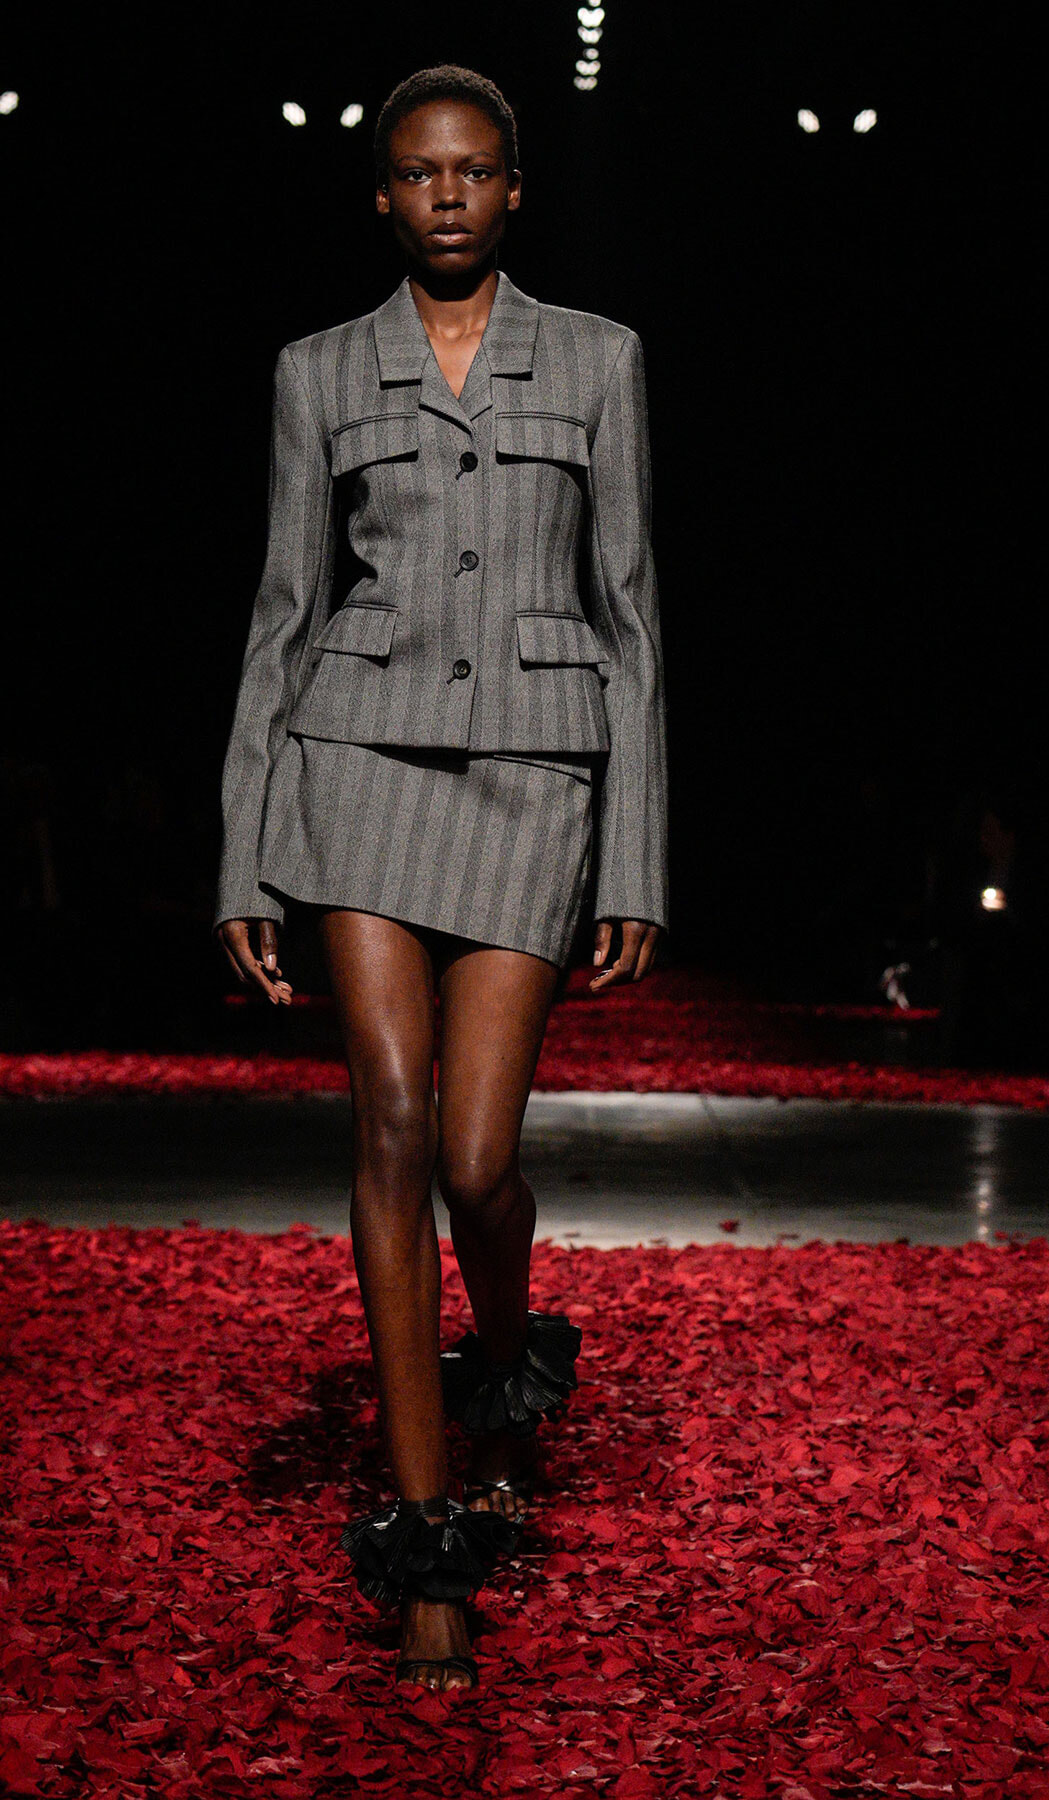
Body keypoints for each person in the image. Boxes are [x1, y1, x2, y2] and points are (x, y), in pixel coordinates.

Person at [213, 64, 668, 1692]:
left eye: (477, 170)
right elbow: (280, 608)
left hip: (538, 778)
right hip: (355, 770)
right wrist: (244, 853)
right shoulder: (319, 371)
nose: (450, 195)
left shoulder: (600, 359)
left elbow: (630, 617)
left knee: (481, 1159)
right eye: (421, 174)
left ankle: (504, 1343)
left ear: (517, 188)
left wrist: (638, 849)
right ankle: (426, 1547)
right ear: (385, 197)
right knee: (393, 1128)